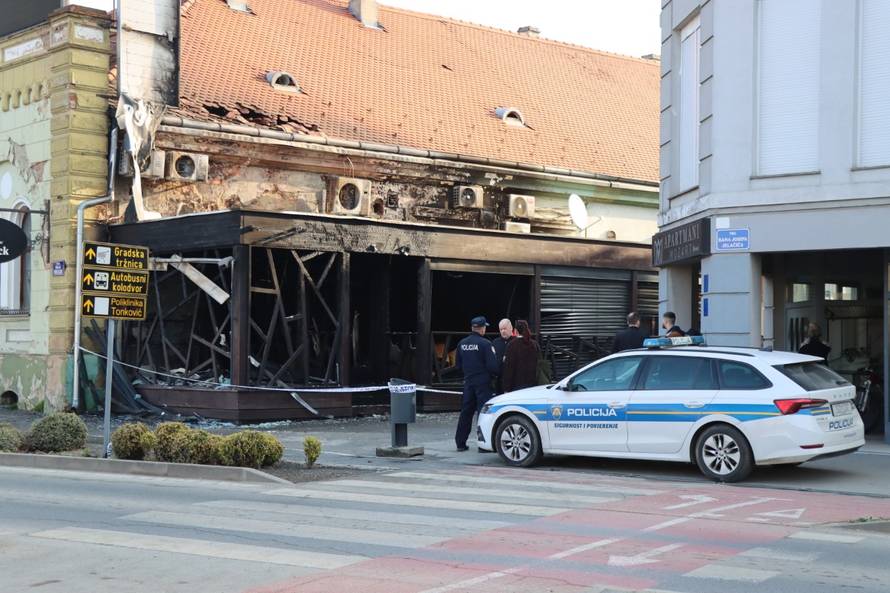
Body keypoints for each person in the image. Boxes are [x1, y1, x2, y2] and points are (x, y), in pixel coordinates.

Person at [454, 316, 499, 451]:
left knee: (466, 413)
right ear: (482, 328)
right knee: (483, 414)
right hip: (483, 384)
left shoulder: (461, 344)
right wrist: (494, 375)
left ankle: (460, 443)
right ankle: (482, 445)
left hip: (468, 383)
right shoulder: (486, 344)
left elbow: (457, 366)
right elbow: (493, 367)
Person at [502, 320, 539, 393]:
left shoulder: (511, 345)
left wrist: (506, 388)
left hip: (516, 386)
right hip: (533, 385)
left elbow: (509, 368)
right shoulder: (534, 344)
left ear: (515, 331)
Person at [492, 318, 514, 393]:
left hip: (513, 380)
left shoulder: (517, 342)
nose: (503, 331)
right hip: (499, 380)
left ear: (511, 328)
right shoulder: (495, 342)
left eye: (505, 328)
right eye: (501, 329)